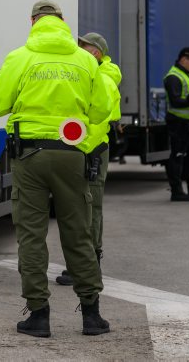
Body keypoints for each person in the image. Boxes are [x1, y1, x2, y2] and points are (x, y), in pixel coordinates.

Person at [0, 0, 112, 338]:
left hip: (28, 157)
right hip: (72, 154)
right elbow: (101, 111)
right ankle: (91, 315)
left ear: (33, 23)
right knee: (78, 230)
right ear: (62, 22)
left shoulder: (20, 57)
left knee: (31, 234)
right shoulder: (86, 60)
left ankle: (39, 315)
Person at [56, 31, 121, 288]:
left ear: (95, 52)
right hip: (86, 147)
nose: (78, 49)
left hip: (91, 149)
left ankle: (88, 266)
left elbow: (99, 115)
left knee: (89, 208)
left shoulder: (103, 77)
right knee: (81, 207)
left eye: (83, 46)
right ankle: (83, 264)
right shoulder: (97, 73)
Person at [163, 47, 189, 201]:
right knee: (177, 157)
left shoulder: (187, 75)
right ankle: (176, 191)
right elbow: (176, 101)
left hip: (188, 123)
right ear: (184, 59)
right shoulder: (173, 76)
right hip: (178, 124)